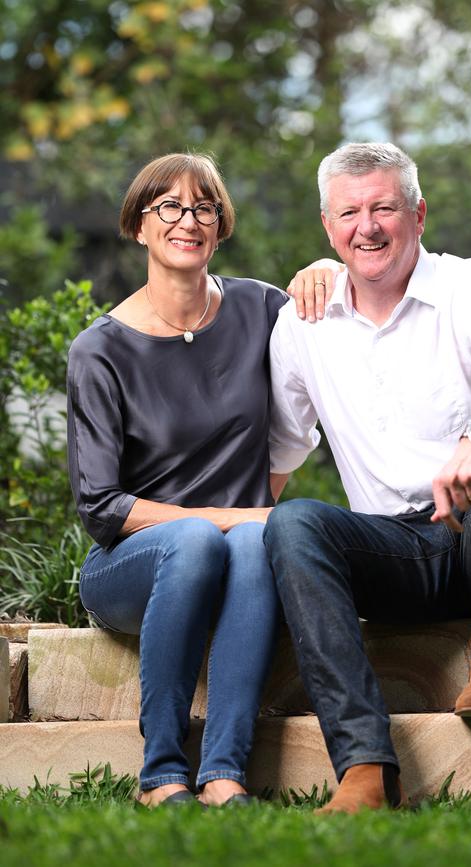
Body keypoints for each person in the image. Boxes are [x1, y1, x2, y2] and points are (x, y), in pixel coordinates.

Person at [264, 142, 471, 814]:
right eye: (349, 213)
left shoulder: (470, 287)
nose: (367, 226)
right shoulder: (302, 323)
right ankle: (366, 770)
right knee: (293, 523)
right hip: (399, 553)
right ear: (328, 227)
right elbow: (278, 462)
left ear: (419, 213)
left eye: (384, 207)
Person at [67, 152, 308, 808]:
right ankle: (161, 770)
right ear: (139, 226)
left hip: (241, 556)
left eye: (205, 207)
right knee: (205, 539)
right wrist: (235, 517)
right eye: (168, 206)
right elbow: (100, 507)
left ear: (221, 225)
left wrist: (324, 274)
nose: (188, 219)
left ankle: (225, 772)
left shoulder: (263, 310)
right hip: (129, 564)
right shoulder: (100, 350)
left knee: (253, 544)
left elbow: (320, 396)